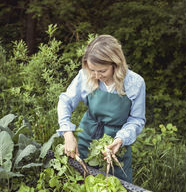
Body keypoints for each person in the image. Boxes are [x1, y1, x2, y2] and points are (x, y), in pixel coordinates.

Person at [57, 34, 146, 183]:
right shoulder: (85, 76)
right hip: (86, 138)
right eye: (92, 70)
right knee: (80, 183)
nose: (96, 75)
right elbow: (65, 101)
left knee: (117, 190)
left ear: (115, 65)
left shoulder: (135, 83)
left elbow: (137, 119)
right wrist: (67, 133)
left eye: (102, 71)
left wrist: (121, 139)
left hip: (115, 146)